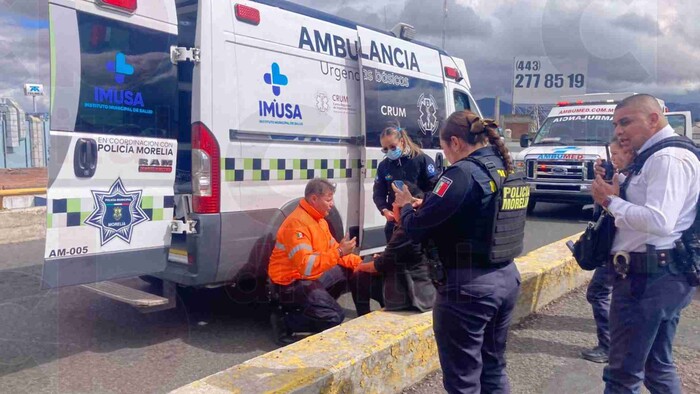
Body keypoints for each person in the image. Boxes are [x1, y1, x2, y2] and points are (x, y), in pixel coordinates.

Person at [394, 110, 526, 393]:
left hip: (468, 290)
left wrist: (405, 205)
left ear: (455, 142)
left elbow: (416, 228)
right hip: (505, 278)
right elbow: (475, 212)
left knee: (462, 379)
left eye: (444, 148)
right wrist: (426, 203)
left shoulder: (462, 173)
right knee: (493, 368)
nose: (447, 155)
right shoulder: (507, 166)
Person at [592, 94, 699, 393]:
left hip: (648, 279)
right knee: (656, 367)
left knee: (622, 375)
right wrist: (619, 186)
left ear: (653, 119)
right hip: (660, 275)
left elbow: (659, 220)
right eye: (616, 124)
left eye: (626, 122)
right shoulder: (655, 156)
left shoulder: (667, 158)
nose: (619, 131)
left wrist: (610, 201)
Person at [267, 178, 367, 345]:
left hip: (309, 276)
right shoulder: (297, 224)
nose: (332, 204)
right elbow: (307, 267)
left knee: (353, 269)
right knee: (334, 317)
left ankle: (354, 313)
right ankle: (285, 321)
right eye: (328, 199)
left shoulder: (319, 220)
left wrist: (363, 264)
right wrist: (340, 251)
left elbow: (334, 251)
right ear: (314, 199)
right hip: (290, 283)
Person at [581, 137, 635, 364]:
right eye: (611, 155)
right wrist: (602, 176)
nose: (614, 159)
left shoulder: (632, 179)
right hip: (617, 247)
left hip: (620, 249)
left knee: (598, 292)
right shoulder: (625, 175)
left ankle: (608, 346)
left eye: (617, 154)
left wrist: (611, 193)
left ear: (631, 153)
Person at [354, 185, 436, 314]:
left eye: (395, 203)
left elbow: (380, 265)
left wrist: (359, 267)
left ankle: (364, 315)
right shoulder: (422, 224)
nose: (392, 206)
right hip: (426, 287)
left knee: (359, 274)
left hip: (414, 297)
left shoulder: (406, 231)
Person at [373, 121, 439, 242]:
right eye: (385, 149)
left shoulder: (421, 160)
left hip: (419, 219)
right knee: (394, 258)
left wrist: (423, 201)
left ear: (402, 141)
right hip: (395, 223)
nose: (389, 151)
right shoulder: (384, 166)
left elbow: (435, 188)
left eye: (392, 147)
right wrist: (384, 210)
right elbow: (378, 192)